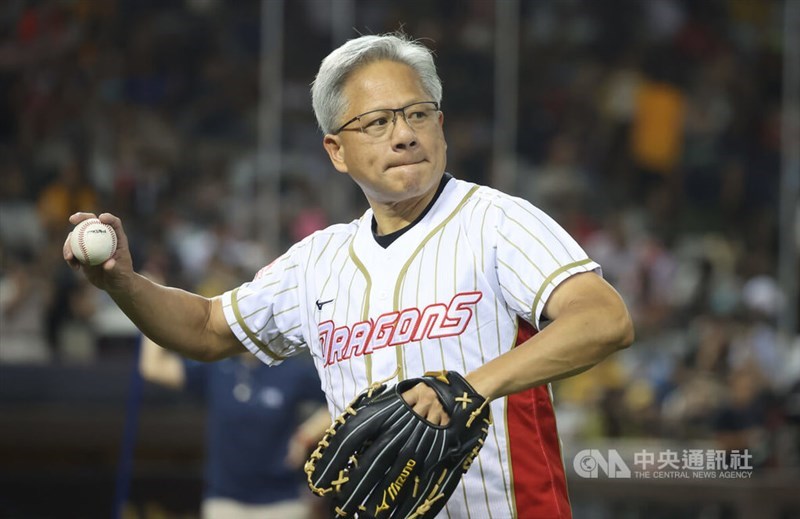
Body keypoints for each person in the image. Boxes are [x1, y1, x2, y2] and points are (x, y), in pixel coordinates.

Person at [64, 32, 634, 518]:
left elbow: (604, 318)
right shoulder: (319, 260)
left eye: (417, 114)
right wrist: (124, 284)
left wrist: (470, 387)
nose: (404, 134)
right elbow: (208, 327)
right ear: (336, 150)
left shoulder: (496, 221)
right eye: (378, 122)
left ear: (441, 125)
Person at [139, 334, 327, 519]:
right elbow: (153, 367)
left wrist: (306, 435)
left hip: (282, 501)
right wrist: (151, 309)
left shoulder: (291, 370)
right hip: (226, 501)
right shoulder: (216, 368)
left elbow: (340, 400)